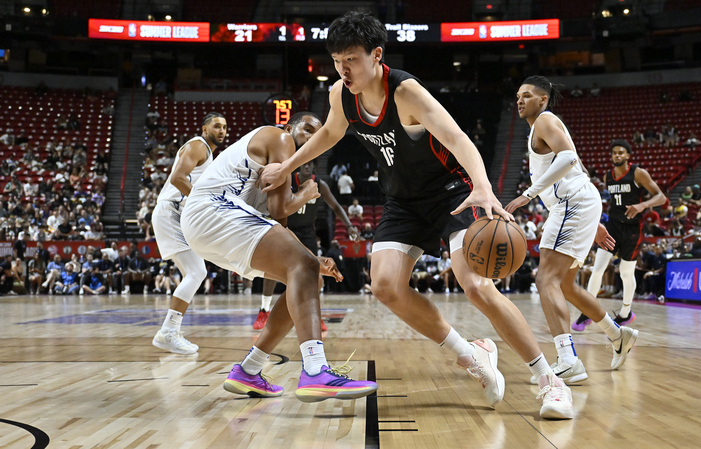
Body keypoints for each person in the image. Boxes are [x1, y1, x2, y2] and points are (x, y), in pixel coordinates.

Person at [258, 12, 570, 419]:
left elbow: (457, 137)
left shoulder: (405, 91)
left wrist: (482, 186)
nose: (343, 70)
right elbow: (331, 132)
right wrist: (287, 166)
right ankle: (471, 354)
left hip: (452, 192)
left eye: (351, 59)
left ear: (377, 55)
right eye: (336, 61)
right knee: (385, 285)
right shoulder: (341, 94)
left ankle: (550, 380)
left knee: (476, 285)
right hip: (403, 200)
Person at [181, 111, 378, 403]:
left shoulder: (284, 167)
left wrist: (313, 261)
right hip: (213, 210)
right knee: (304, 267)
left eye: (318, 135)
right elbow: (280, 209)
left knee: (307, 276)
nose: (312, 138)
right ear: (289, 127)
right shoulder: (280, 138)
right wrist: (307, 194)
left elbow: (280, 226)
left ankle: (249, 370)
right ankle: (315, 370)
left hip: (207, 226)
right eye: (307, 129)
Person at [505, 76, 639, 386]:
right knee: (565, 284)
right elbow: (581, 171)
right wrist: (593, 221)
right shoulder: (543, 127)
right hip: (576, 203)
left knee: (546, 279)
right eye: (518, 95)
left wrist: (528, 194)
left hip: (571, 203)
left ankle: (568, 361)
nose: (520, 100)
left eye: (527, 95)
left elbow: (569, 158)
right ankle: (617, 335)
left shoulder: (545, 120)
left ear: (543, 99)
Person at [151, 112, 228, 355]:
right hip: (171, 210)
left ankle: (170, 329)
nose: (222, 130)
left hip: (180, 213)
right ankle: (168, 332)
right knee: (197, 272)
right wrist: (202, 203)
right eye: (217, 126)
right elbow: (177, 178)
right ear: (205, 129)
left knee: (195, 272)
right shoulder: (198, 145)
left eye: (224, 127)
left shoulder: (210, 155)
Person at [253, 157, 358, 331]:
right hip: (287, 229)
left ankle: (315, 314)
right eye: (304, 163)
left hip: (308, 233)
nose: (307, 166)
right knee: (271, 271)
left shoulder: (320, 185)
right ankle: (264, 310)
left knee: (314, 273)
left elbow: (336, 206)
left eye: (310, 163)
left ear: (315, 166)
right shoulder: (288, 181)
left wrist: (349, 225)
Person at [572, 139, 666, 331]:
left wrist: (642, 205)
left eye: (621, 152)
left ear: (628, 156)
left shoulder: (638, 173)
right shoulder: (608, 176)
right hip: (613, 227)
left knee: (625, 272)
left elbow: (661, 197)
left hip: (632, 229)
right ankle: (587, 311)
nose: (617, 155)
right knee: (598, 268)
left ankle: (625, 313)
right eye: (614, 152)